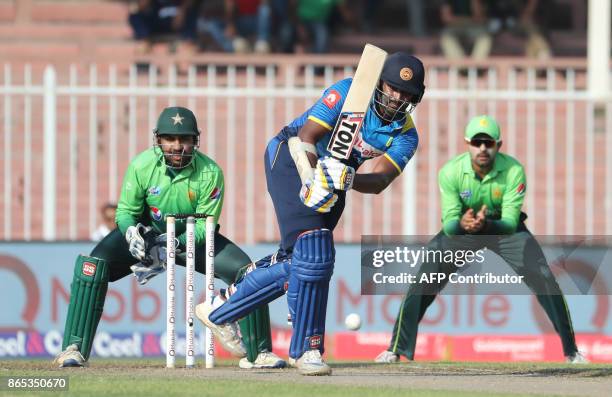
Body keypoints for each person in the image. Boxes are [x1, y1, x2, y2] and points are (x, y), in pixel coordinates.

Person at [196, 52, 426, 375]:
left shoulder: (406, 134)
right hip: (292, 158)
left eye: (407, 94)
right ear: (379, 84)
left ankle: (222, 306)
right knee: (316, 252)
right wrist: (310, 179)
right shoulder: (350, 92)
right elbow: (307, 136)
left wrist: (349, 179)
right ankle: (308, 349)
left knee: (301, 260)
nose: (398, 98)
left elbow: (381, 180)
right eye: (392, 88)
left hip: (337, 179)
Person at [53, 106, 285, 370]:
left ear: (195, 141)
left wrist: (173, 243)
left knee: (247, 272)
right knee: (91, 267)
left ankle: (260, 353)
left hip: (191, 239)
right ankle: (73, 349)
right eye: (170, 139)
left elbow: (204, 226)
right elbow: (126, 212)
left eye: (185, 139)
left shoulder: (210, 172)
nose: (178, 146)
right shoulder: (142, 165)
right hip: (145, 234)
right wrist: (131, 232)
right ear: (159, 140)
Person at [375, 115, 587, 364]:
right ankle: (396, 349)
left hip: (504, 229)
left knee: (544, 278)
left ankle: (572, 352)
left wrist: (485, 224)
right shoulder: (451, 171)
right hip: (463, 229)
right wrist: (464, 224)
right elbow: (451, 224)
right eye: (477, 143)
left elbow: (509, 224)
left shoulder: (513, 171)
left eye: (489, 143)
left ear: (499, 144)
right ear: (467, 144)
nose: (483, 149)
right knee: (426, 275)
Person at [128, 0, 201, 54]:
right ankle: (144, 43)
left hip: (179, 22)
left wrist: (183, 9)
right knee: (135, 16)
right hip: (156, 23)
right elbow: (141, 6)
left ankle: (189, 48)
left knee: (191, 16)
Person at [486, 0, 551, 59]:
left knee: (533, 37)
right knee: (485, 37)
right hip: (497, 23)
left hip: (520, 25)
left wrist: (527, 13)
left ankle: (542, 54)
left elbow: (526, 17)